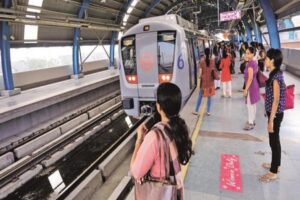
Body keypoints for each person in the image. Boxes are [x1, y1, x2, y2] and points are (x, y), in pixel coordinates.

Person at [131, 82, 192, 199]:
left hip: (160, 194)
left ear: (159, 107)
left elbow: (136, 172)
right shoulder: (180, 128)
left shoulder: (155, 136)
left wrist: (139, 140)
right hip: (173, 192)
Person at [259, 49, 285, 182]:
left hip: (275, 115)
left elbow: (276, 100)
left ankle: (273, 171)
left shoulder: (276, 77)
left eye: (267, 58)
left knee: (273, 141)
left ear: (273, 61)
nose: (265, 60)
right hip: (274, 113)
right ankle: (276, 164)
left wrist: (271, 120)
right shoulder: (275, 73)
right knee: (274, 140)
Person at [193, 48, 216, 116]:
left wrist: (199, 77)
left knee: (200, 96)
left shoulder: (202, 61)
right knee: (209, 97)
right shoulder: (212, 61)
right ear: (209, 53)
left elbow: (200, 73)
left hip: (204, 82)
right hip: (210, 82)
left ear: (204, 53)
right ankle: (208, 111)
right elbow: (213, 70)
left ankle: (196, 110)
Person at [243, 47, 260, 130]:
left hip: (251, 87)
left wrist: (246, 89)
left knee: (250, 105)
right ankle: (253, 120)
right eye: (246, 53)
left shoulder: (250, 64)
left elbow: (250, 78)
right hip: (255, 85)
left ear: (253, 54)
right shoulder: (254, 62)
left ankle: (250, 123)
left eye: (249, 53)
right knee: (253, 104)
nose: (247, 55)